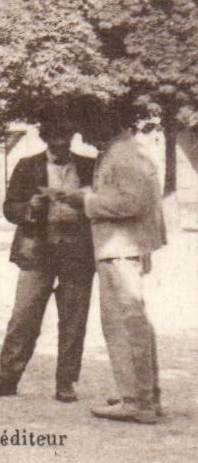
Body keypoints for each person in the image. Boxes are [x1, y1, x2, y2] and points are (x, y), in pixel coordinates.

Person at [53, 104, 167, 423]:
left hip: (120, 249)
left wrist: (85, 201)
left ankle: (137, 401)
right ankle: (143, 393)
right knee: (132, 322)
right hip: (120, 247)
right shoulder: (124, 151)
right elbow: (121, 193)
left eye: (85, 129)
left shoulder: (124, 155)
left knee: (124, 324)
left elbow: (131, 202)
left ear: (102, 123)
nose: (83, 138)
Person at [0, 112, 95, 403]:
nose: (60, 145)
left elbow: (100, 205)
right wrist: (28, 208)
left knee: (74, 320)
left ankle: (66, 383)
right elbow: (9, 208)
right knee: (23, 317)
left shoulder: (90, 166)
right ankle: (7, 378)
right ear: (45, 138)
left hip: (78, 252)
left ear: (72, 138)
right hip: (37, 251)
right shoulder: (27, 165)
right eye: (54, 139)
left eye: (65, 139)